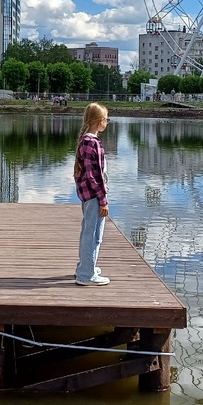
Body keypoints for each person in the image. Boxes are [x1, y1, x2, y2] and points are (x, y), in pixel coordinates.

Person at [73, 102, 110, 286]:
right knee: (94, 235)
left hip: (89, 195)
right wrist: (103, 200)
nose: (107, 122)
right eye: (106, 119)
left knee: (89, 232)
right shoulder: (91, 143)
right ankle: (86, 275)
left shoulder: (86, 141)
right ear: (100, 121)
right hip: (95, 197)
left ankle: (86, 266)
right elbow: (95, 176)